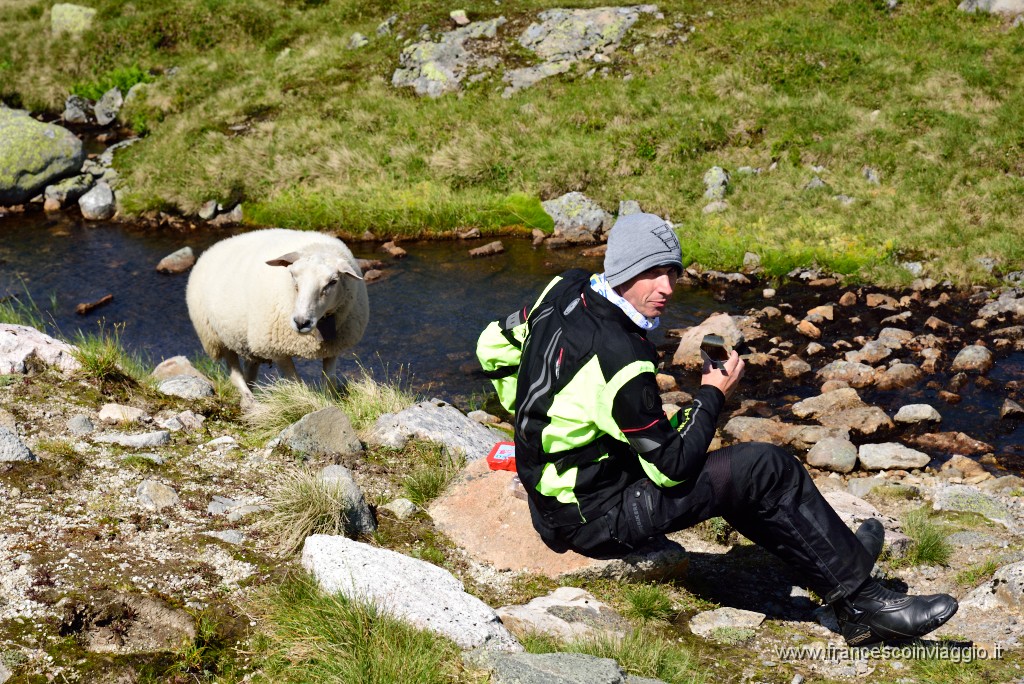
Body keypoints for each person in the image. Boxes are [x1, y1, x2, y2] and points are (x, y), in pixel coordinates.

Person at [476, 212, 958, 646]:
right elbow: (672, 470)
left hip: (560, 491)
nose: (666, 286)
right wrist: (713, 393)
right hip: (591, 519)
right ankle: (864, 605)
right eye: (651, 272)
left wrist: (536, 424)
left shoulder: (566, 287)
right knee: (763, 467)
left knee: (735, 473)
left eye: (672, 272)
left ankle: (841, 560)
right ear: (622, 270)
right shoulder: (621, 358)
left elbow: (491, 347)